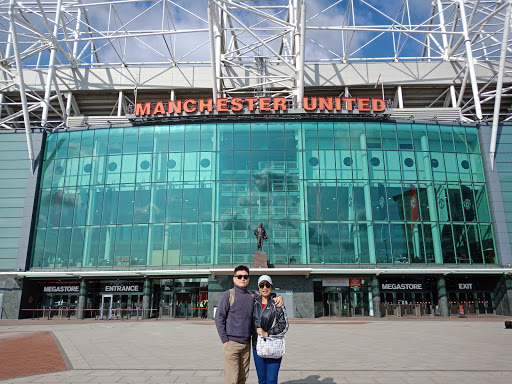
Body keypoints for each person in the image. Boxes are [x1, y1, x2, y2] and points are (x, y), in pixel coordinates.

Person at [215, 265, 283, 384]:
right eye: (239, 276)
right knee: (232, 379)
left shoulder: (252, 296)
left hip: (247, 344)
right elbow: (219, 318)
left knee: (242, 378)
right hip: (232, 344)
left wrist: (278, 297)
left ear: (248, 279)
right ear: (234, 279)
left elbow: (266, 294)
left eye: (245, 276)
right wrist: (225, 340)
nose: (242, 279)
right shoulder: (228, 295)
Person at [252, 275, 288, 384]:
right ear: (258, 287)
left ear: (271, 287)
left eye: (267, 285)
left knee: (271, 380)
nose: (264, 287)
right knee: (262, 380)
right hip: (256, 345)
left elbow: (284, 326)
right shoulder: (253, 302)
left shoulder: (277, 303)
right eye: (262, 285)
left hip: (273, 345)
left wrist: (267, 333)